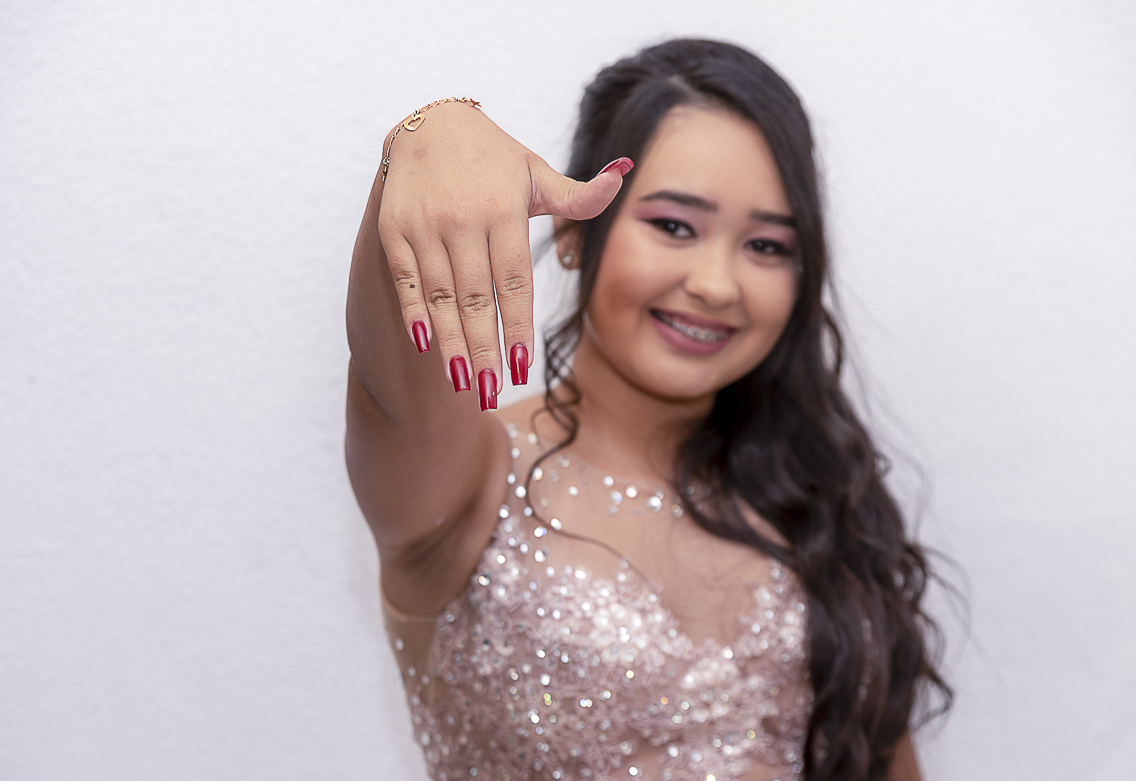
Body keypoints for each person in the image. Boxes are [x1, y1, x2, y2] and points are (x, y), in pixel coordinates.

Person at [345, 38, 950, 781]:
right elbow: (390, 387)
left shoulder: (819, 504)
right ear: (574, 228)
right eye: (673, 226)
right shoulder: (470, 479)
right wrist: (432, 133)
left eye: (766, 245)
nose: (717, 284)